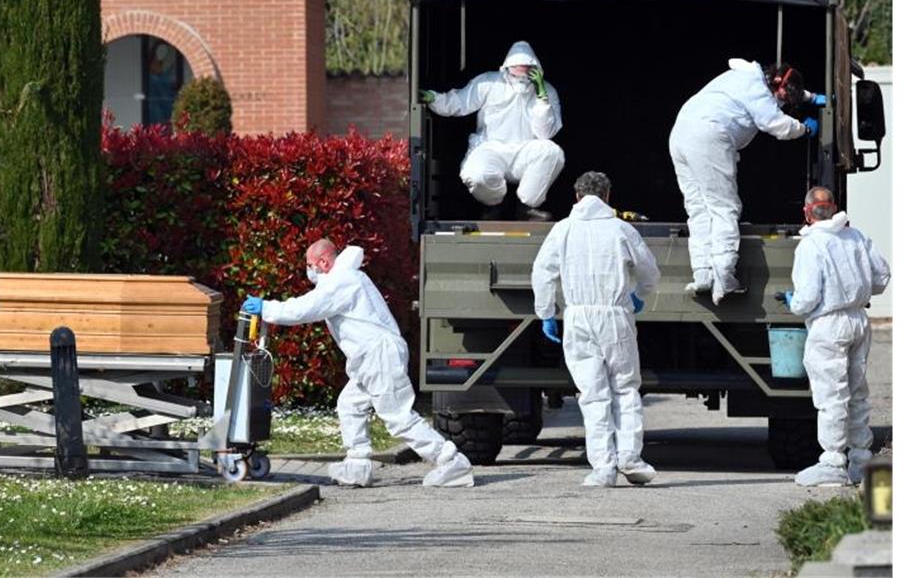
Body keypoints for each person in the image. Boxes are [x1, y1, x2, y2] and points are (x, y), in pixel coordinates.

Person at [242, 238, 474, 488]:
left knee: (397, 416)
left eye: (310, 264)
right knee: (349, 405)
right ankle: (357, 465)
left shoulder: (342, 281)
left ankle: (451, 462)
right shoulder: (349, 277)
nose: (309, 270)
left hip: (378, 356)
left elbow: (304, 309)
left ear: (323, 261)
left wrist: (265, 307)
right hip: (372, 358)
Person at [531, 171, 661, 487]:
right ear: (607, 196)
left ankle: (603, 468)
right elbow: (650, 272)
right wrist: (637, 295)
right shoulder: (622, 230)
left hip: (577, 317)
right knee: (625, 388)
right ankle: (630, 458)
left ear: (577, 197)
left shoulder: (562, 231)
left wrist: (547, 312)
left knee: (592, 393)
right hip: (616, 315)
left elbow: (542, 273)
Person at [669, 58, 825, 305]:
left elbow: (785, 88)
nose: (783, 104)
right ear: (776, 85)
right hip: (708, 135)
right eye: (784, 100)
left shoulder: (746, 75)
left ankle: (703, 276)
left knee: (698, 209)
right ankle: (724, 280)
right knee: (724, 208)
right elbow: (776, 125)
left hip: (680, 135)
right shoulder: (758, 91)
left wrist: (810, 97)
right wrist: (803, 129)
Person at [783, 186, 890, 487]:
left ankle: (832, 462)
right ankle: (861, 460)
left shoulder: (810, 245)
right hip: (859, 320)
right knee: (857, 392)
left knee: (831, 393)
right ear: (834, 207)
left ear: (807, 212)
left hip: (828, 324)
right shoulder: (855, 236)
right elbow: (881, 277)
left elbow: (806, 298)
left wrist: (792, 302)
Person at [420, 40, 564, 221]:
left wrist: (541, 95)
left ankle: (526, 208)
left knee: (551, 151)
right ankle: (496, 205)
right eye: (516, 68)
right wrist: (434, 98)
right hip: (491, 148)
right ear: (506, 67)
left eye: (526, 68)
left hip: (526, 151)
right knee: (476, 173)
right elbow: (459, 103)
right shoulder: (488, 82)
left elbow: (545, 133)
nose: (521, 73)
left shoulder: (547, 90)